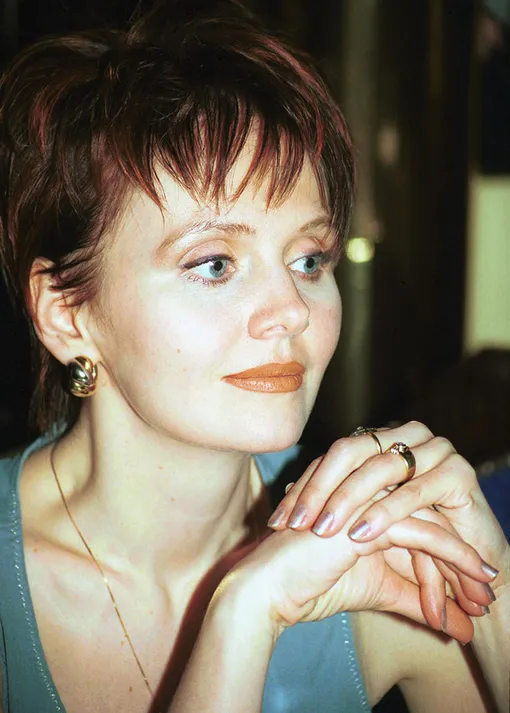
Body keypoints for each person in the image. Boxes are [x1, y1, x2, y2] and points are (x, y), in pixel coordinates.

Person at [0, 1, 508, 712]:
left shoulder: (379, 551)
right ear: (66, 313)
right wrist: (243, 615)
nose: (293, 310)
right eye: (214, 264)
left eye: (309, 259)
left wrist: (498, 585)